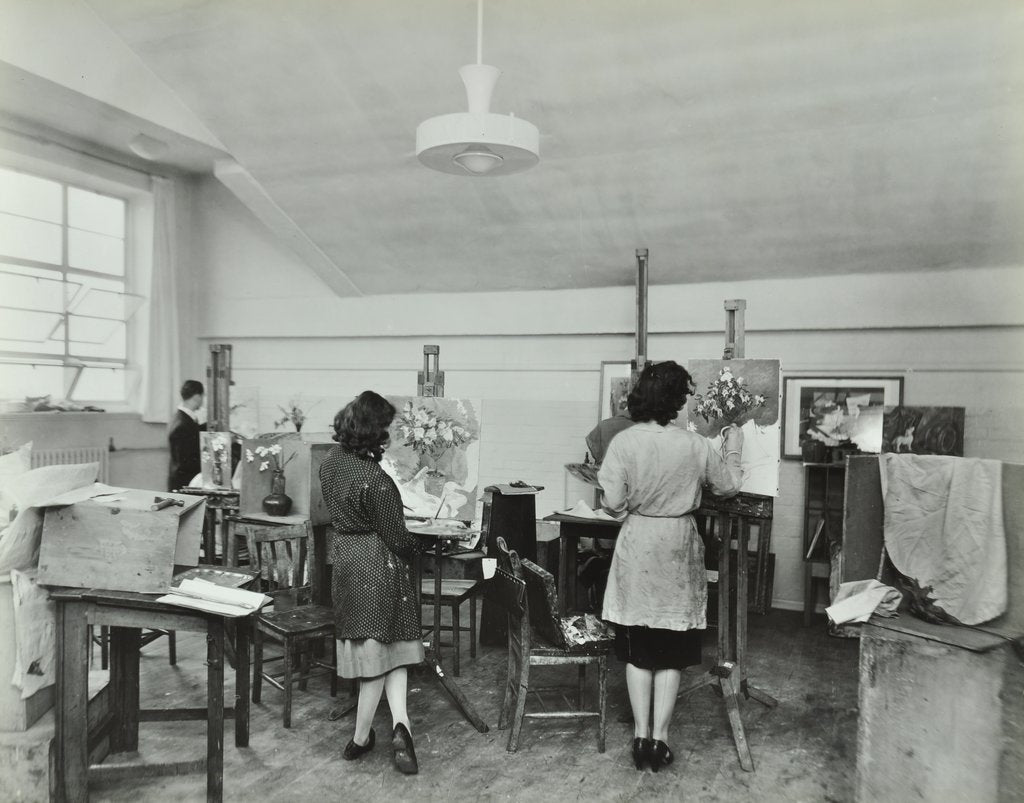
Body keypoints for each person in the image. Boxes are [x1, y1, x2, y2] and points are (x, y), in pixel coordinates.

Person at [597, 361, 743, 772]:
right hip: (678, 546)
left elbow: (612, 503)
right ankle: (660, 740)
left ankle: (640, 736)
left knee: (639, 649)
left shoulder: (625, 443)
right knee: (671, 649)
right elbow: (729, 486)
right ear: (678, 401)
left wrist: (631, 500)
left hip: (639, 544)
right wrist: (733, 447)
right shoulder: (694, 445)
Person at [319, 391, 426, 775]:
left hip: (346, 560)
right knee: (379, 659)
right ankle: (371, 734)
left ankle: (390, 729)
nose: (388, 435)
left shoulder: (330, 463)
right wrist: (422, 542)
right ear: (373, 432)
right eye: (384, 429)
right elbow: (398, 540)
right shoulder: (376, 480)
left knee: (385, 651)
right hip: (379, 566)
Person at [167, 379, 205, 491]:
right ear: (197, 397)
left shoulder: (182, 418)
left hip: (183, 481)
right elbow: (186, 461)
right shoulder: (182, 424)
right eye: (203, 396)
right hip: (184, 484)